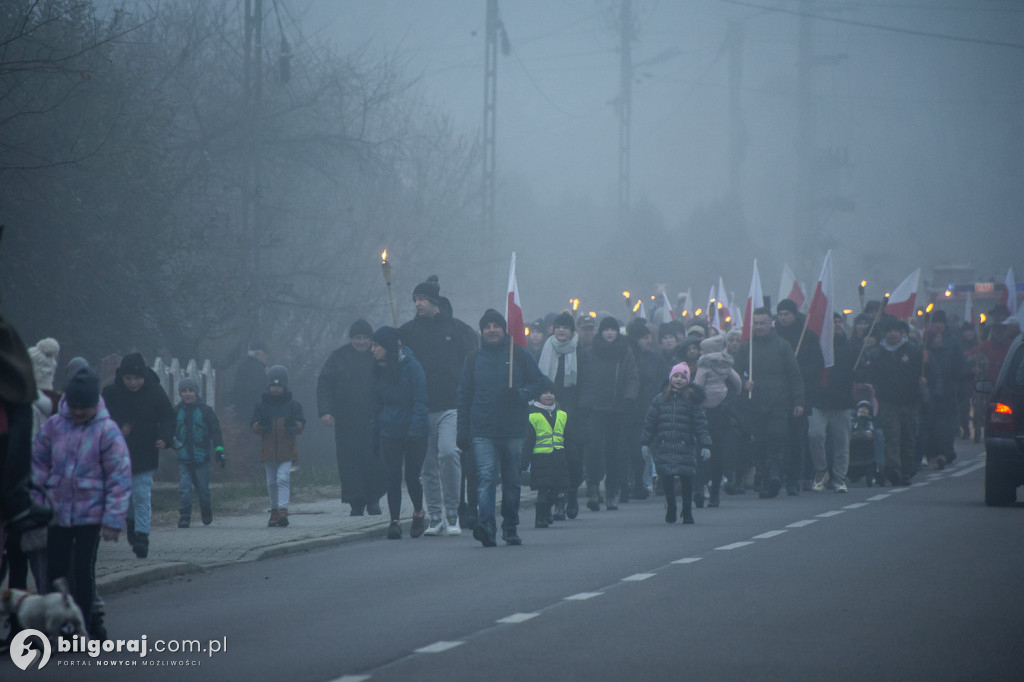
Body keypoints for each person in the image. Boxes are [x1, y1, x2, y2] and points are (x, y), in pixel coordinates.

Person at [32, 366, 130, 640]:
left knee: (83, 571)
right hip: (56, 512)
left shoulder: (107, 431)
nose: (78, 412)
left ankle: (82, 628)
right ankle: (57, 629)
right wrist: (36, 502)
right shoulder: (54, 426)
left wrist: (113, 520)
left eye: (84, 407)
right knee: (55, 571)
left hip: (91, 515)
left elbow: (119, 477)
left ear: (93, 404)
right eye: (73, 406)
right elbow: (38, 464)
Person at [457, 309, 546, 547]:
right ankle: (487, 526)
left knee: (511, 481)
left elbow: (540, 382)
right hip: (482, 430)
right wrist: (462, 430)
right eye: (487, 326)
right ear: (482, 331)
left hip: (513, 430)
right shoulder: (473, 359)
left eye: (496, 325)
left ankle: (510, 526)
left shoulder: (518, 354)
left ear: (503, 329)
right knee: (486, 478)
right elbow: (464, 396)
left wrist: (519, 394)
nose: (492, 330)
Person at [398, 276, 477, 537]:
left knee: (448, 453)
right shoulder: (407, 332)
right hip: (421, 407)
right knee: (427, 465)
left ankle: (452, 511)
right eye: (415, 300)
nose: (418, 304)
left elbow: (469, 361)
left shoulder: (457, 330)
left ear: (435, 302)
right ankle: (435, 515)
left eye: (422, 299)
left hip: (451, 404)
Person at [101, 353, 175, 558]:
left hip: (146, 452)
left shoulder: (155, 392)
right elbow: (100, 419)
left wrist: (165, 437)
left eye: (137, 378)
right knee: (126, 497)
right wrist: (116, 429)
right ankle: (132, 523)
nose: (133, 383)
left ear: (144, 376)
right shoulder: (111, 393)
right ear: (122, 377)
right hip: (117, 455)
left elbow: (168, 417)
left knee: (142, 494)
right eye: (128, 379)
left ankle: (142, 537)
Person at [734, 308, 805, 499]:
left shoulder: (782, 346)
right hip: (754, 403)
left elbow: (794, 375)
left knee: (777, 437)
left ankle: (775, 475)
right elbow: (733, 374)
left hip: (779, 402)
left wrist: (799, 400)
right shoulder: (745, 348)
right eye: (755, 323)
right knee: (760, 443)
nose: (758, 327)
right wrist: (742, 382)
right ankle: (766, 480)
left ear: (770, 324)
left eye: (762, 323)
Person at [317, 319, 382, 516]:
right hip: (346, 419)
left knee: (374, 459)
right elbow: (324, 385)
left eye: (364, 338)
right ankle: (356, 501)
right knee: (349, 460)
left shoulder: (378, 356)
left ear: (370, 339)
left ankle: (374, 499)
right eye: (357, 338)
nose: (361, 342)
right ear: (351, 339)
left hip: (374, 417)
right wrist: (325, 411)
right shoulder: (338, 357)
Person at [369, 327, 429, 540]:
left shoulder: (412, 367)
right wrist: (375, 435)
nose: (372, 349)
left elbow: (421, 400)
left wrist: (416, 427)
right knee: (392, 475)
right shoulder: (378, 370)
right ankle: (394, 521)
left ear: (388, 347)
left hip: (413, 430)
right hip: (389, 430)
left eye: (376, 345)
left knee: (412, 476)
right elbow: (376, 406)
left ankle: (418, 513)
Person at [580, 316, 639, 511]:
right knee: (594, 449)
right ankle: (594, 487)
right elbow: (585, 378)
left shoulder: (625, 352)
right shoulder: (591, 352)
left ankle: (612, 491)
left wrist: (630, 397)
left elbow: (632, 377)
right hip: (595, 408)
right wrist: (586, 399)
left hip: (617, 408)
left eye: (613, 329)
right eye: (606, 330)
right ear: (601, 332)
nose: (610, 333)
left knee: (614, 452)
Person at [641, 363, 712, 524]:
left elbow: (701, 424)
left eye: (682, 376)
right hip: (665, 445)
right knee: (666, 476)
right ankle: (671, 506)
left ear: (687, 380)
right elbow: (650, 423)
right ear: (670, 378)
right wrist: (645, 443)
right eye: (676, 376)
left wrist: (706, 444)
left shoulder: (692, 400)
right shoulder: (659, 400)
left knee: (687, 478)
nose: (679, 380)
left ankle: (687, 510)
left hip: (685, 445)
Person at [861, 317, 924, 486]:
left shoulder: (913, 350)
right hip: (888, 402)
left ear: (902, 332)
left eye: (896, 330)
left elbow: (923, 373)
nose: (893, 334)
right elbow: (870, 375)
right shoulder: (876, 353)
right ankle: (893, 469)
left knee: (908, 437)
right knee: (892, 436)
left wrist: (923, 383)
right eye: (889, 331)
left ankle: (906, 471)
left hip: (910, 401)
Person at [536, 311, 587, 519]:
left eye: (566, 327)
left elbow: (587, 382)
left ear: (572, 331)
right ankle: (554, 501)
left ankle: (571, 494)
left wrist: (583, 406)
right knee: (551, 459)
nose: (562, 330)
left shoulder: (581, 352)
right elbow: (539, 380)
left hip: (575, 414)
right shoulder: (546, 349)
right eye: (559, 327)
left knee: (572, 460)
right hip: (549, 412)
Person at [773, 298, 824, 495]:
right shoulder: (773, 336)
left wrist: (795, 370)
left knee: (796, 440)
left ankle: (795, 478)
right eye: (780, 314)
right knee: (777, 439)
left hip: (800, 397)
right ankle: (776, 475)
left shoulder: (807, 336)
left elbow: (816, 366)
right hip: (776, 397)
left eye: (787, 314)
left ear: (794, 315)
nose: (783, 318)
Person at [251, 365, 306, 527]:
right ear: (269, 386)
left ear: (284, 386)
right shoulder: (261, 405)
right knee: (271, 482)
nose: (276, 388)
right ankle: (274, 510)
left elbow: (300, 426)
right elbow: (254, 426)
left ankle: (283, 510)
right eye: (273, 385)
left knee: (283, 478)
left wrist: (292, 426)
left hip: (287, 449)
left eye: (279, 385)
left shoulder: (293, 405)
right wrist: (262, 426)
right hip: (268, 450)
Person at [807, 313, 856, 493]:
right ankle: (821, 472)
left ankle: (839, 477)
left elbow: (857, 371)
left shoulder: (850, 347)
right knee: (815, 435)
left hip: (841, 401)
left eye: (838, 322)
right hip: (819, 400)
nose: (836, 325)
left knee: (841, 442)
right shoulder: (816, 345)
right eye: (832, 322)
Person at [692, 335, 742, 507]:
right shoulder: (726, 365)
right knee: (717, 452)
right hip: (721, 411)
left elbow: (698, 386)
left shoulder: (704, 365)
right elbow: (737, 383)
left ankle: (699, 487)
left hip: (705, 412)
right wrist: (733, 395)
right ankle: (715, 494)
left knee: (701, 450)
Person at [172, 377, 225, 528]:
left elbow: (216, 432)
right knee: (184, 488)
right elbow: (168, 430)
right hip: (183, 458)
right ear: (180, 394)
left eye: (190, 390)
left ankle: (206, 510)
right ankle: (184, 515)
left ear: (196, 392)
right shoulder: (176, 411)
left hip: (202, 458)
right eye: (184, 391)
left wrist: (219, 451)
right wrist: (172, 442)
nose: (187, 394)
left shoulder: (206, 411)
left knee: (203, 489)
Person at [523, 381, 572, 528]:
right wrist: (523, 462)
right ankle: (540, 518)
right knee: (543, 490)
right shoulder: (532, 416)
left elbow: (568, 438)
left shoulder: (562, 415)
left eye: (551, 392)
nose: (549, 395)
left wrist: (572, 458)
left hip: (559, 459)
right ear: (538, 396)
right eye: (545, 393)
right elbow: (528, 442)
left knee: (558, 489)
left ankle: (546, 513)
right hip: (541, 460)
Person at [626, 318, 662, 499]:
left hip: (651, 408)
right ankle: (634, 482)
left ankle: (654, 480)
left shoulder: (655, 358)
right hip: (631, 410)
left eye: (650, 337)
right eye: (644, 338)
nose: (649, 341)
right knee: (633, 448)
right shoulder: (627, 357)